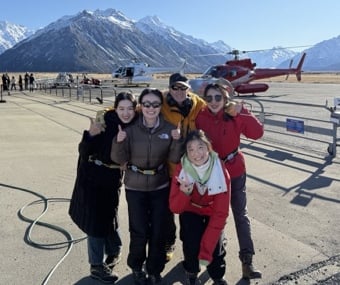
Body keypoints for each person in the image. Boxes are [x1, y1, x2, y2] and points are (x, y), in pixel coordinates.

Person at [111, 88, 183, 285]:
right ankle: (136, 266)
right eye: (147, 104)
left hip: (160, 186)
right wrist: (118, 143)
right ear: (140, 106)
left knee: (159, 230)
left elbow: (175, 159)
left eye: (156, 104)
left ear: (161, 106)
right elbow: (119, 159)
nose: (151, 108)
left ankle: (154, 269)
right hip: (135, 187)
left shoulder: (169, 129)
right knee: (139, 230)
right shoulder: (129, 130)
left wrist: (177, 141)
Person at [195, 83, 264, 280]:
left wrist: (243, 112)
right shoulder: (200, 117)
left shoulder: (236, 114)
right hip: (212, 172)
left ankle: (247, 260)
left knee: (240, 214)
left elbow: (257, 133)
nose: (214, 102)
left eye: (218, 98)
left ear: (226, 99)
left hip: (234, 170)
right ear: (205, 100)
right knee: (216, 214)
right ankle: (216, 253)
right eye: (209, 98)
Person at [69, 92, 138, 284]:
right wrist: (90, 135)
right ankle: (96, 266)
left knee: (108, 213)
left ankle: (114, 247)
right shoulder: (105, 122)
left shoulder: (134, 125)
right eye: (121, 108)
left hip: (112, 176)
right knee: (95, 222)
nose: (126, 113)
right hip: (92, 176)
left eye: (130, 109)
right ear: (115, 108)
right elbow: (84, 151)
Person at [169, 130, 231, 285]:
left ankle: (217, 275)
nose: (196, 153)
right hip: (191, 209)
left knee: (215, 245)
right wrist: (185, 193)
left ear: (208, 148)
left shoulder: (220, 170)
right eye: (191, 149)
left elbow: (221, 213)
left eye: (200, 147)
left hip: (212, 211)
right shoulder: (181, 169)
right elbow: (175, 208)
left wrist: (206, 251)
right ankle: (191, 271)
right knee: (191, 242)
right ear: (186, 153)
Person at [161, 72, 206, 261]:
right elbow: (136, 108)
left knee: (190, 212)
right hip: (168, 168)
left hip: (191, 170)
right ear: (169, 89)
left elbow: (218, 110)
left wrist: (232, 107)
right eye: (175, 87)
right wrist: (105, 114)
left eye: (183, 87)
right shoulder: (162, 104)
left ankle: (193, 246)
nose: (179, 91)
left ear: (189, 89)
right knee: (167, 211)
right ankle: (168, 242)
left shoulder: (198, 104)